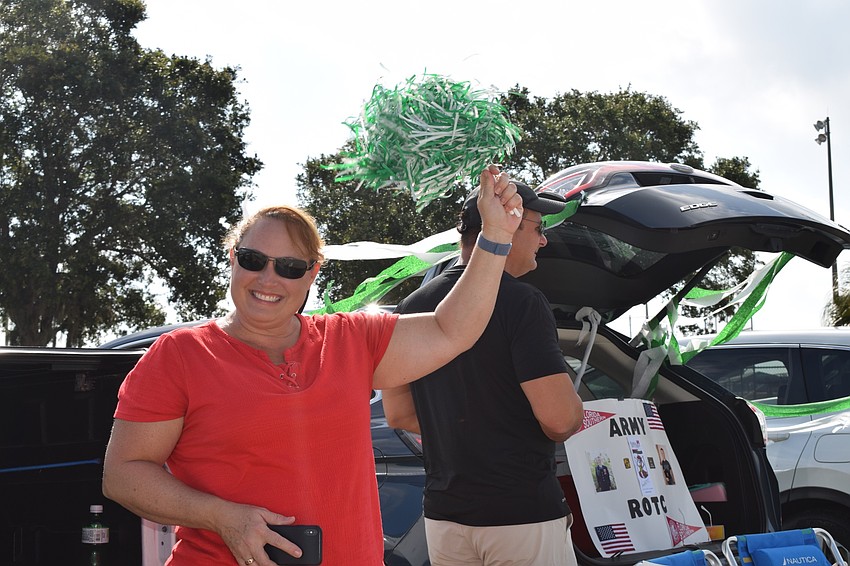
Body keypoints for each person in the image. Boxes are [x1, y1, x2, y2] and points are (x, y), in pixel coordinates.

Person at [101, 165, 523, 566]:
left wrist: (495, 237)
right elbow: (123, 474)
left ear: (311, 274)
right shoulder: (180, 355)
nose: (268, 279)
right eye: (253, 260)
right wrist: (221, 516)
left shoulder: (349, 340)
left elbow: (452, 330)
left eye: (289, 267)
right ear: (232, 258)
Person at [382, 181, 584, 566]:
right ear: (509, 222)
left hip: (444, 517)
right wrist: (579, 412)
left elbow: (399, 414)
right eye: (539, 228)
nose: (543, 242)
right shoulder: (522, 301)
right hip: (520, 516)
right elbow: (559, 421)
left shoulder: (412, 303)